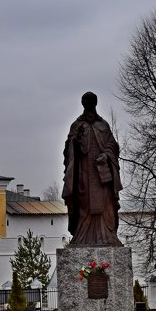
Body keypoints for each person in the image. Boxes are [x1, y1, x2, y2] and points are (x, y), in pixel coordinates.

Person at [62, 92, 122, 247]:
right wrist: (75, 141)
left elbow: (112, 145)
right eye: (86, 103)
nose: (89, 106)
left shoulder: (103, 125)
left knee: (106, 203)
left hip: (102, 175)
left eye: (91, 103)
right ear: (83, 104)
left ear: (95, 104)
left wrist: (106, 155)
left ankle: (107, 236)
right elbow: (68, 149)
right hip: (84, 172)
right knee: (84, 203)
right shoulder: (77, 125)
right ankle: (82, 236)